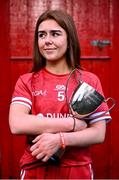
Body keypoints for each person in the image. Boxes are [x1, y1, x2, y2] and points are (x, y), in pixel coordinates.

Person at [9, 9, 112, 179]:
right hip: (35, 168)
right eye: (41, 35)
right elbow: (17, 124)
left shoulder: (88, 80)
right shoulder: (26, 81)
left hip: (78, 169)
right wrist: (72, 124)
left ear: (69, 40)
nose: (47, 41)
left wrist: (61, 140)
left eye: (55, 34)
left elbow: (98, 133)